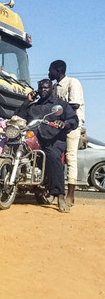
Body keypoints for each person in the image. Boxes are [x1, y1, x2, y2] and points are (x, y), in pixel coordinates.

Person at [15, 79, 77, 212]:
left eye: (46, 88)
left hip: (53, 139)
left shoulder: (60, 105)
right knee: (12, 147)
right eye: (41, 88)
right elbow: (18, 116)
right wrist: (28, 101)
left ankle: (60, 196)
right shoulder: (34, 106)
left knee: (54, 157)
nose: (43, 90)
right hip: (35, 138)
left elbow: (73, 120)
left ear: (52, 89)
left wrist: (64, 124)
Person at [48, 60, 85, 206]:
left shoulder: (72, 82)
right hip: (58, 125)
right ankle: (54, 190)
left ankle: (70, 194)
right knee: (54, 156)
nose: (48, 73)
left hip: (72, 125)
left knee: (70, 157)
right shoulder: (55, 87)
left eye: (50, 70)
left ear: (57, 70)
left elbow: (74, 104)